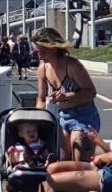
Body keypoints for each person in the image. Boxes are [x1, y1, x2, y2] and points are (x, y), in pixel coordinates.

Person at [33, 27, 100, 161]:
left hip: (83, 115)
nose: (39, 56)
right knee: (62, 157)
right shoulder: (43, 68)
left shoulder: (72, 65)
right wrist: (38, 120)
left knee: (79, 151)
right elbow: (41, 98)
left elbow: (90, 92)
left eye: (43, 51)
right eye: (37, 52)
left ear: (53, 48)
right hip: (61, 116)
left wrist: (67, 96)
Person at [45, 129, 112, 192]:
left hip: (108, 175)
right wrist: (99, 141)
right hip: (106, 165)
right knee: (52, 168)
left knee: (53, 180)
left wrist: (101, 157)